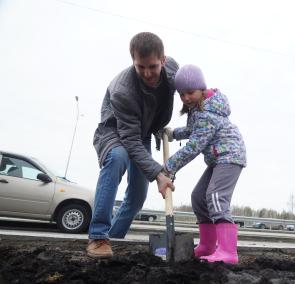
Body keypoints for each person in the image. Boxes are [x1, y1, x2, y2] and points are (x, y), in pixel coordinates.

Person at [87, 32, 178, 259]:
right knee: (117, 158)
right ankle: (98, 237)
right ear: (133, 62)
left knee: (138, 194)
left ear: (163, 61)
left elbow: (191, 88)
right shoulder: (123, 90)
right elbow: (129, 140)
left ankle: (115, 239)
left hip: (143, 132)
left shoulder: (174, 70)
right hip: (115, 131)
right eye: (140, 67)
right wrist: (158, 174)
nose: (147, 73)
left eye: (153, 66)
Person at [162, 64, 247, 264]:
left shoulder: (208, 113)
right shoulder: (198, 108)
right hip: (218, 159)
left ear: (201, 89)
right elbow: (193, 130)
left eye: (190, 92)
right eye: (181, 95)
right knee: (199, 198)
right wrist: (173, 134)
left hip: (230, 156)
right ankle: (208, 246)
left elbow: (194, 146)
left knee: (216, 196)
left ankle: (227, 252)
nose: (186, 98)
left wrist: (169, 167)